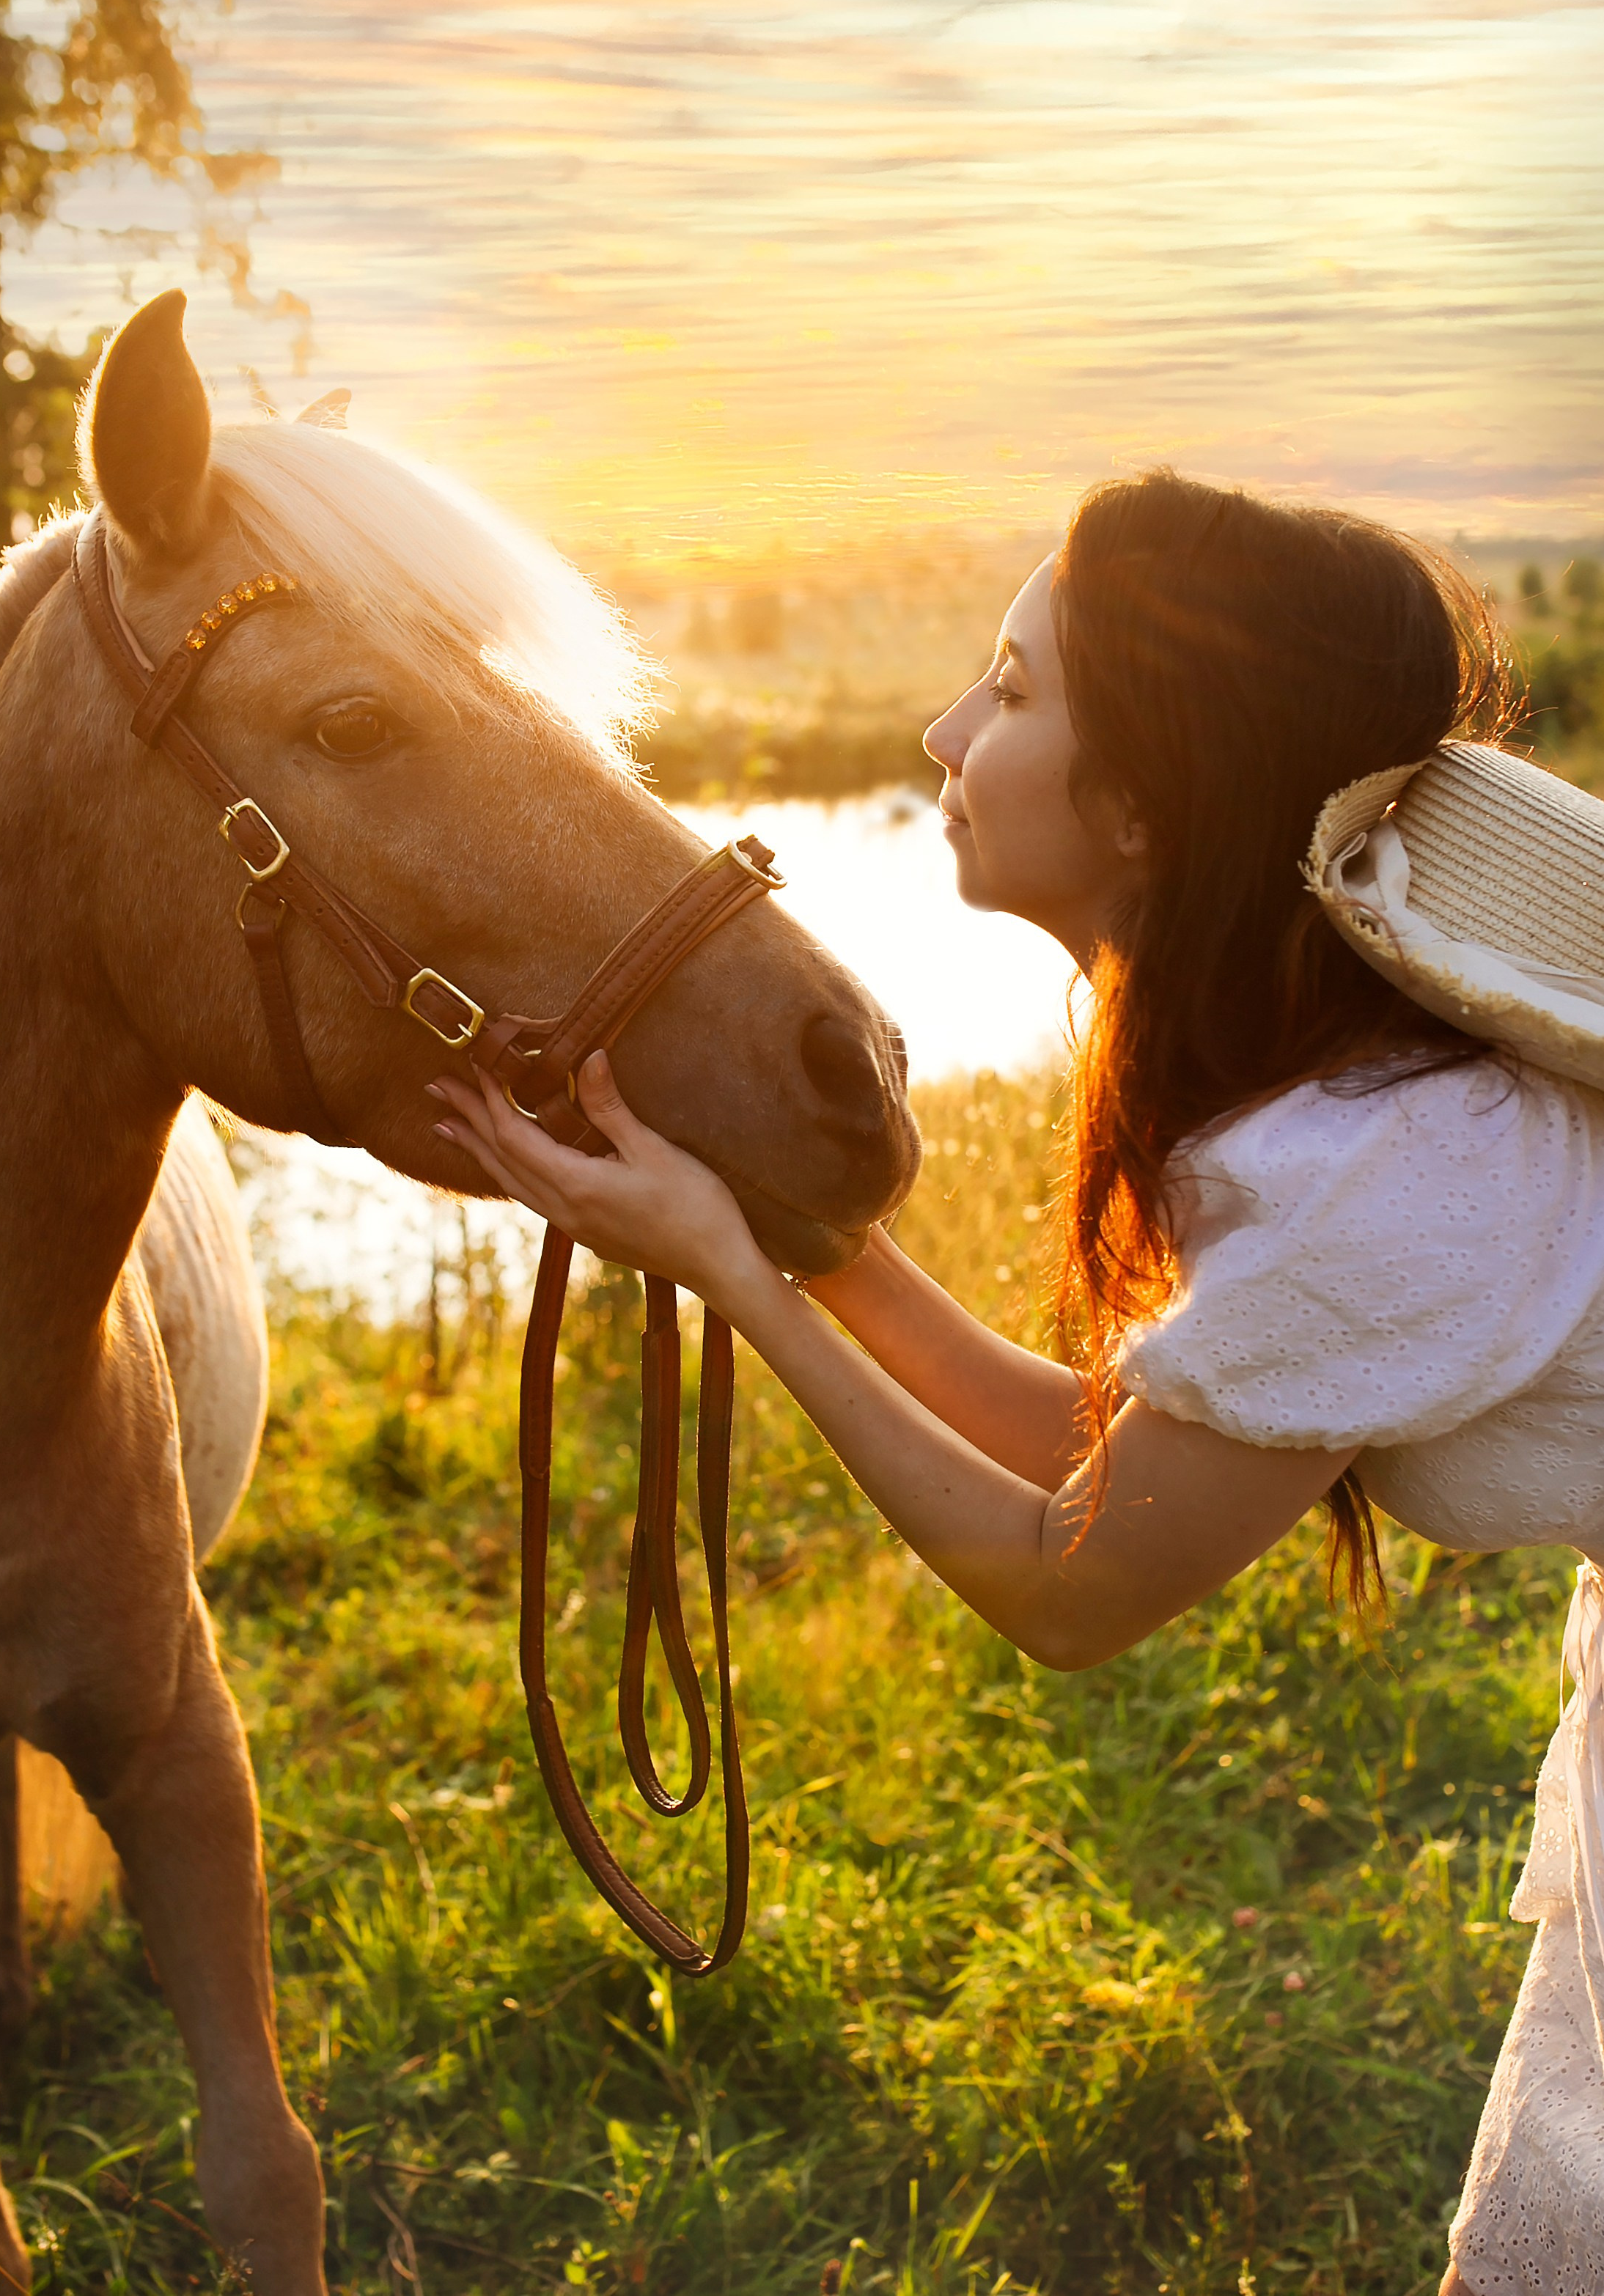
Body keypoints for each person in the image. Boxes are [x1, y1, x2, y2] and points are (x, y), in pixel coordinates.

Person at [429, 469, 1604, 2295]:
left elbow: (1071, 1584)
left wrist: (728, 1272)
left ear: (1138, 804)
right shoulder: (1340, 1111)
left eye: (1006, 687)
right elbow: (1099, 1454)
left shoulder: (1384, 1172)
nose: (940, 731)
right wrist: (793, 1234)